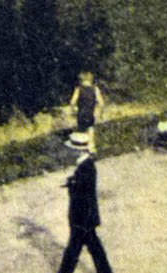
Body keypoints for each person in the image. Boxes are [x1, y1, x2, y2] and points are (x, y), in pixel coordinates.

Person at [57, 131, 112, 273]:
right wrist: (72, 182)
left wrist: (72, 185)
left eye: (71, 149)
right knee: (93, 247)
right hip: (86, 218)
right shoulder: (85, 165)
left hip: (82, 219)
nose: (69, 152)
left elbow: (82, 193)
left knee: (74, 250)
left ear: (77, 150)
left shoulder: (86, 168)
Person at [68, 70, 104, 135]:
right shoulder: (95, 89)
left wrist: (73, 110)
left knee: (81, 130)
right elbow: (101, 103)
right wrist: (100, 113)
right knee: (91, 128)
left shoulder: (78, 89)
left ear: (81, 80)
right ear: (91, 80)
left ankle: (82, 142)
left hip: (81, 114)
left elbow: (72, 102)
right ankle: (91, 142)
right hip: (90, 114)